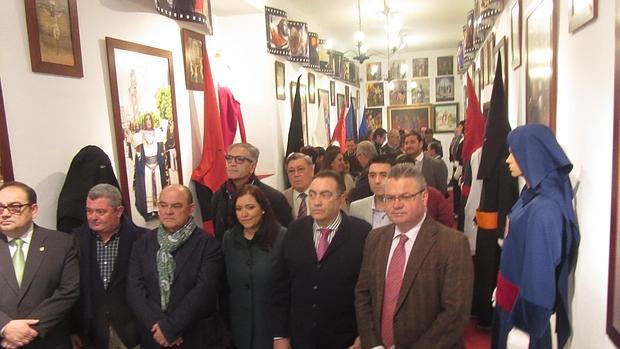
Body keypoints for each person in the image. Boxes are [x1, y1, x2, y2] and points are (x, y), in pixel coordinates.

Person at [354, 164, 473, 348]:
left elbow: (454, 314)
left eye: (405, 197)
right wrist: (374, 344)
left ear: (424, 197)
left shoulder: (453, 244)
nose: (396, 204)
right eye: (390, 197)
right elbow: (363, 296)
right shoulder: (375, 239)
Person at [493, 125, 580, 349]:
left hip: (521, 314)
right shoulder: (531, 194)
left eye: (514, 153)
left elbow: (539, 273)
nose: (508, 160)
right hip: (509, 301)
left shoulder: (544, 210)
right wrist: (502, 287)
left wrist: (525, 327)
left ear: (531, 156)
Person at [272, 171, 371, 349]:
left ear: (341, 199)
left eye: (325, 195)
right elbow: (281, 285)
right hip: (302, 338)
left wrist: (364, 334)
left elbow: (370, 289)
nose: (316, 202)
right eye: (312, 194)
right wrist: (280, 335)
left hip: (345, 338)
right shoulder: (295, 231)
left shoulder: (361, 233)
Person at [127, 184, 223, 348]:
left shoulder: (208, 245)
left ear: (191, 208)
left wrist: (171, 328)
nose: (168, 211)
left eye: (176, 206)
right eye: (163, 205)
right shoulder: (142, 243)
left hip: (193, 335)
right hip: (154, 336)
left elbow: (203, 292)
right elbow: (134, 289)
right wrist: (159, 328)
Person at [0, 181, 79, 349]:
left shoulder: (61, 243)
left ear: (33, 210)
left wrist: (28, 330)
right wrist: (5, 326)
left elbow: (68, 291)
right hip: (4, 341)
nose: (5, 214)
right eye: (0, 207)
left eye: (14, 207)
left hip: (49, 340)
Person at [71, 184, 145, 349]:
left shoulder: (142, 239)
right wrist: (74, 329)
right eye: (89, 211)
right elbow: (73, 289)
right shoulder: (76, 240)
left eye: (100, 212)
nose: (93, 217)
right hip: (92, 332)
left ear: (118, 211)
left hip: (134, 329)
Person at [222, 185, 286, 349]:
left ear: (263, 209)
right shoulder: (229, 238)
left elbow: (288, 290)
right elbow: (224, 286)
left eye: (250, 207)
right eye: (239, 208)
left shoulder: (282, 237)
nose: (244, 214)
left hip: (271, 329)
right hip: (239, 330)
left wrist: (282, 334)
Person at [212, 143, 293, 240]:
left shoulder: (273, 198)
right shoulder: (218, 196)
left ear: (252, 167)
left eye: (239, 159)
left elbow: (286, 237)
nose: (232, 163)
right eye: (229, 158)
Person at [134, 113, 167, 221]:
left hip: (156, 165)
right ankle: (149, 211)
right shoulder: (140, 135)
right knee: (148, 188)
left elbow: (161, 147)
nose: (148, 121)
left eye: (150, 119)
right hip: (147, 166)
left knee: (158, 187)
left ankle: (158, 209)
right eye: (146, 119)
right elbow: (138, 150)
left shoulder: (157, 133)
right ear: (144, 121)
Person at [396, 132, 448, 196]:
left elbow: (442, 192)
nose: (408, 146)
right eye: (406, 143)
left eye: (412, 142)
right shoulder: (398, 162)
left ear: (420, 144)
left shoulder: (437, 164)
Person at [349, 155, 393, 228]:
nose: (377, 181)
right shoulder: (356, 208)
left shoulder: (402, 207)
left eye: (383, 175)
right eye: (372, 176)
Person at [282, 153, 314, 220]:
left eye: (300, 169)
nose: (296, 174)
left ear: (312, 170)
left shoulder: (325, 194)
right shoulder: (282, 198)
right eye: (291, 171)